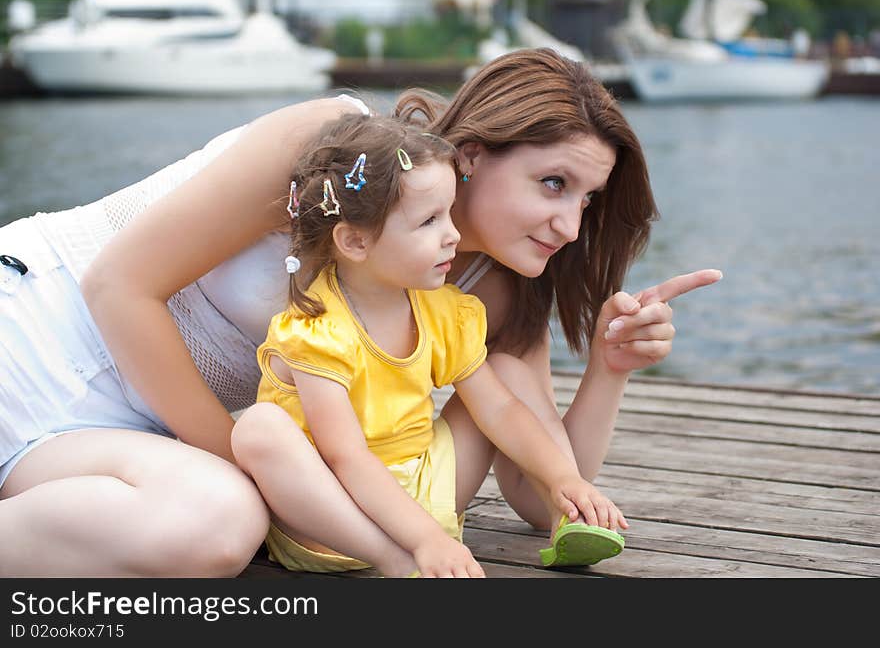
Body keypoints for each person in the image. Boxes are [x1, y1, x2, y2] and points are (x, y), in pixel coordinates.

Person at [0, 47, 720, 576]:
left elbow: (543, 497)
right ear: (470, 155)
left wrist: (610, 368)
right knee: (232, 514)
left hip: (126, 437)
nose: (569, 224)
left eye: (586, 200)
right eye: (553, 183)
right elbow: (117, 287)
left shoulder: (486, 288)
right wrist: (266, 478)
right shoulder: (336, 151)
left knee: (216, 524)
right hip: (35, 333)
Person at [231, 114, 628, 578]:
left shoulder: (442, 310)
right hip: (336, 520)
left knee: (502, 382)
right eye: (429, 221)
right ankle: (397, 562)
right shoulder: (318, 327)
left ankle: (569, 511)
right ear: (356, 240)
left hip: (426, 490)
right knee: (260, 429)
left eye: (449, 212)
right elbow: (346, 457)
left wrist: (563, 476)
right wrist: (423, 539)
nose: (453, 235)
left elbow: (499, 410)